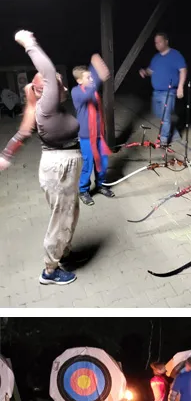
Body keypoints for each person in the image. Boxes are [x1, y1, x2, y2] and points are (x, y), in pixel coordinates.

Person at [0, 30, 107, 285]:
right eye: (59, 83)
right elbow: (47, 73)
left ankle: (62, 253)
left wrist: (6, 155)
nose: (64, 86)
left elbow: (22, 133)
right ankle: (49, 270)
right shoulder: (46, 107)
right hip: (59, 169)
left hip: (59, 169)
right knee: (61, 218)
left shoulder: (42, 110)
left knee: (68, 214)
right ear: (46, 89)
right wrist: (29, 43)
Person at [71, 62, 115, 206]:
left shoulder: (94, 91)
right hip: (86, 136)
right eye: (88, 77)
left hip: (99, 135)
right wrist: (98, 76)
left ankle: (101, 185)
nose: (91, 80)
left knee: (102, 162)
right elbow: (86, 97)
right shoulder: (76, 92)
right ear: (79, 80)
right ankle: (83, 190)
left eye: (91, 77)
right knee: (88, 164)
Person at [139, 32, 187, 146]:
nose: (157, 44)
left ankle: (163, 141)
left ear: (166, 41)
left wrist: (180, 87)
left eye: (160, 41)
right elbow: (151, 71)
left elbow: (183, 70)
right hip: (156, 92)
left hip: (169, 91)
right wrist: (145, 72)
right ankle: (174, 134)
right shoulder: (156, 58)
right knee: (158, 113)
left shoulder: (175, 54)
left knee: (165, 117)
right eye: (156, 42)